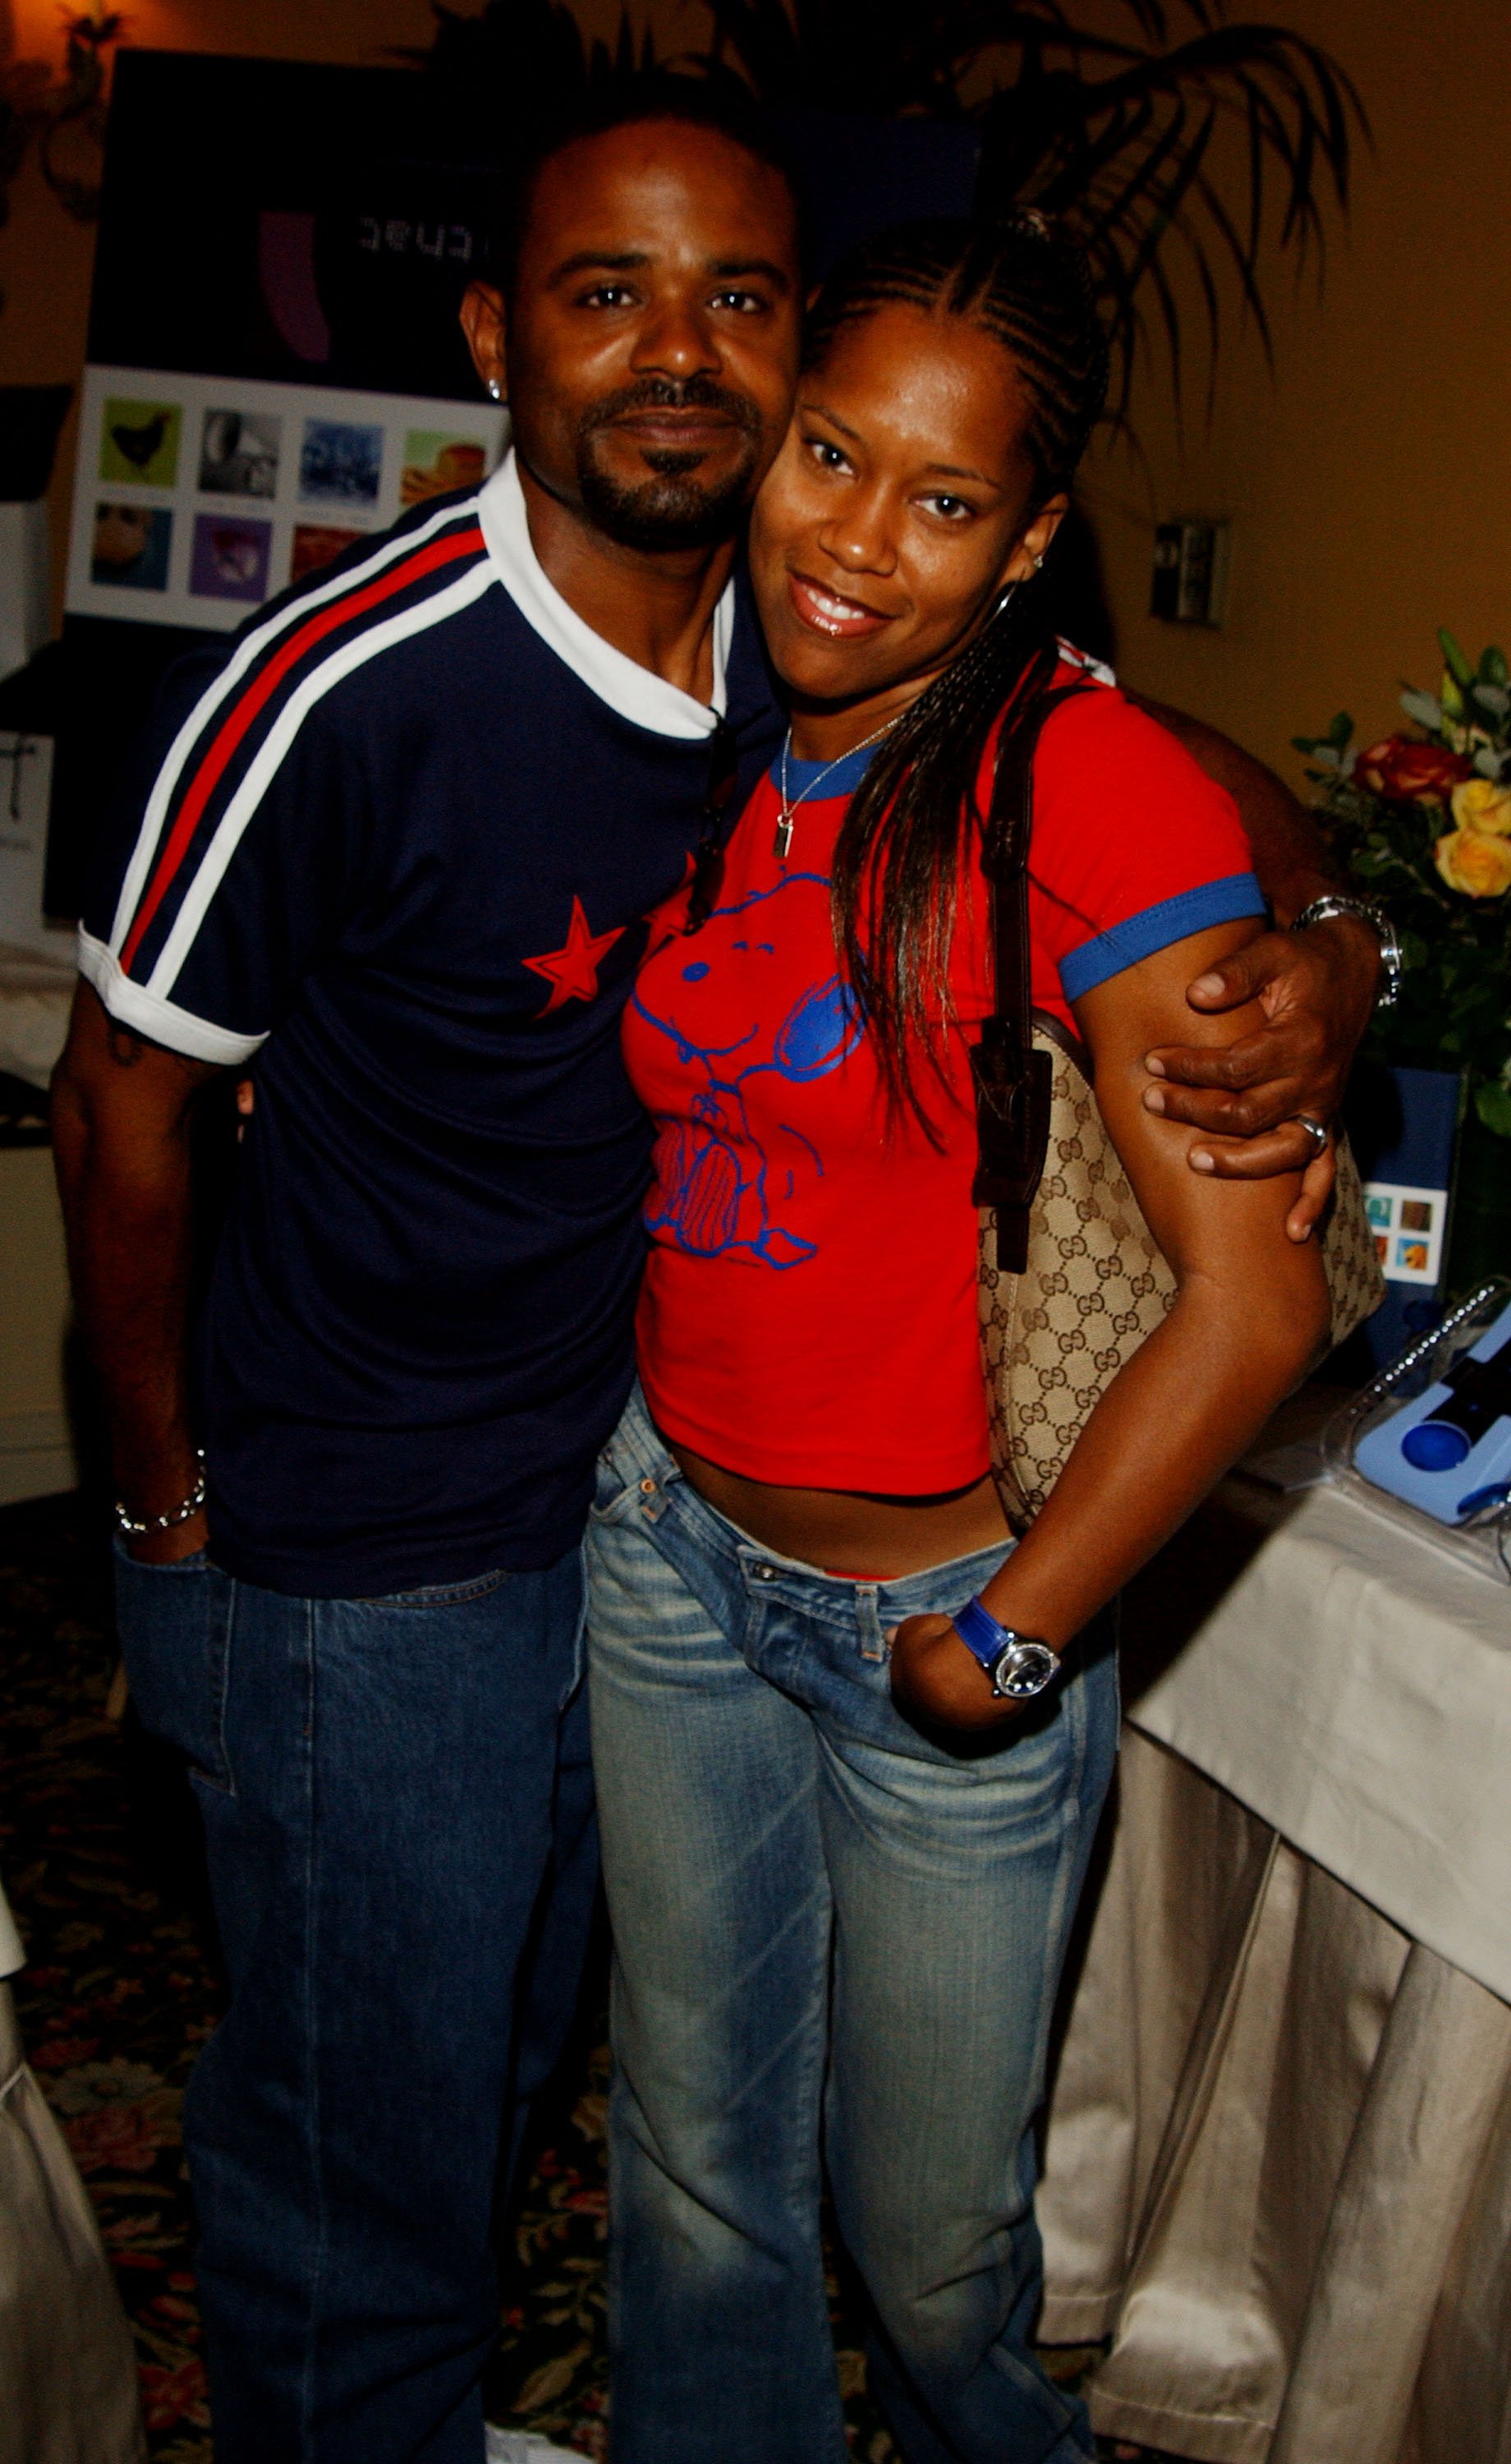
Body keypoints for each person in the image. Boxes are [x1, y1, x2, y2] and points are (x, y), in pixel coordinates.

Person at [51, 74, 1383, 2464]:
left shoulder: (816, 641)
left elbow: (1178, 793)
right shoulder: (341, 686)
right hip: (369, 1541)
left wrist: (1339, 948)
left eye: (737, 302)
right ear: (493, 336)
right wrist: (163, 1521)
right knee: (387, 2135)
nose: (680, 357)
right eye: (604, 294)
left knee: (674, 2115)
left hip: (640, 1517)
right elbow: (117, 1100)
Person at [586, 213, 1334, 2464]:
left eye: (942, 502)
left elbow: (1258, 1294)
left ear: (1026, 545)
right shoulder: (707, 681)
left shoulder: (1080, 781)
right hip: (668, 1554)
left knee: (926, 2251)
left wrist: (1011, 1638)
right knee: (693, 2173)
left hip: (938, 1619)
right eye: (832, 455)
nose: (857, 539)